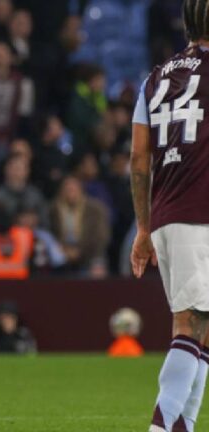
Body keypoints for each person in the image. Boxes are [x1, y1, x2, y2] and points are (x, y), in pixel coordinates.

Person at [130, 3, 209, 430]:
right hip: (199, 212)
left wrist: (143, 227)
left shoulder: (154, 78)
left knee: (202, 325)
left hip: (167, 212)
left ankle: (183, 426)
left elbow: (138, 159)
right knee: (191, 321)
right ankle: (162, 426)